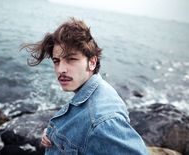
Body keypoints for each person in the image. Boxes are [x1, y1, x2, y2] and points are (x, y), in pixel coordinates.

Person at [21, 18, 149, 155]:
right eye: (56, 61)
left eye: (71, 59)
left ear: (92, 62)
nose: (60, 69)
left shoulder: (102, 122)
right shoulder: (96, 89)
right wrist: (53, 134)